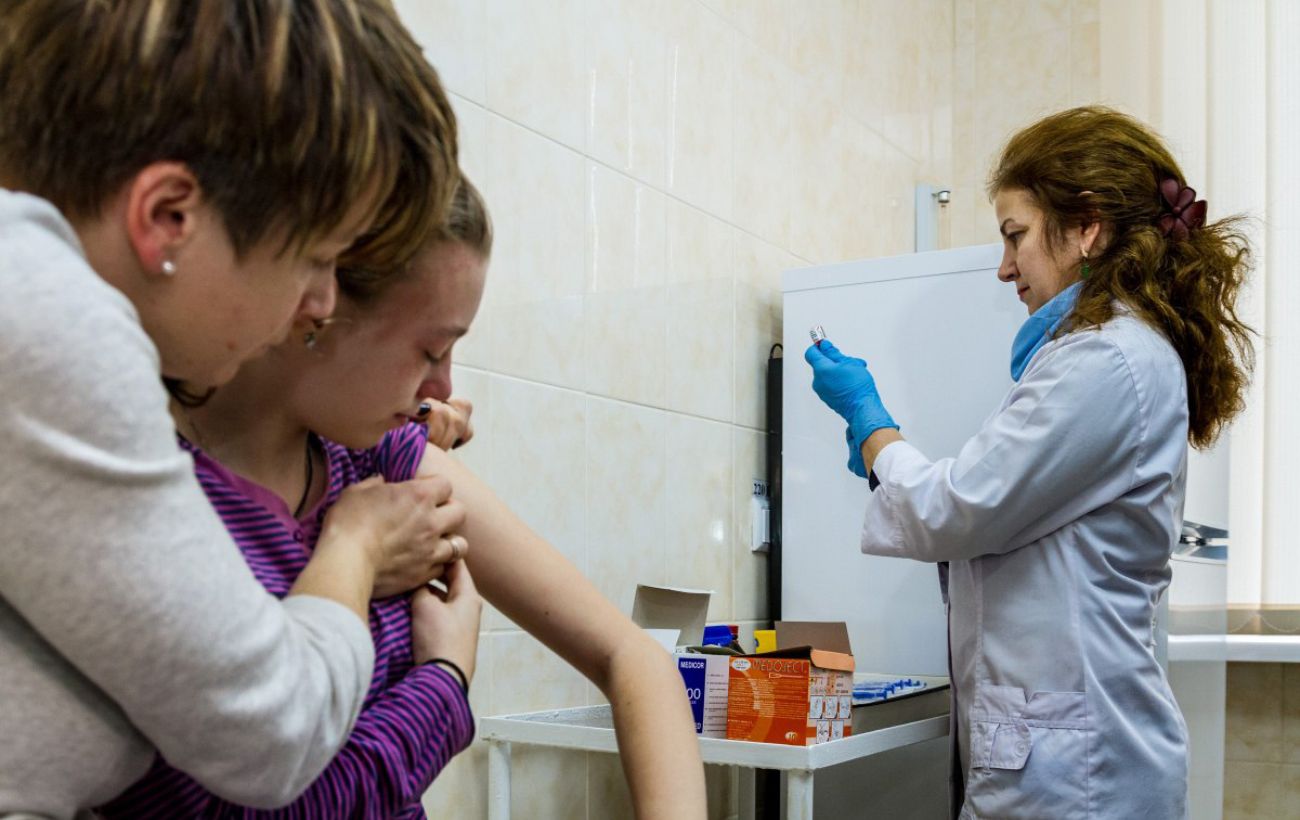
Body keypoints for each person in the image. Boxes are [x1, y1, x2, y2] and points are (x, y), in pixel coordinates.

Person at [107, 177, 709, 818]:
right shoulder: (147, 496)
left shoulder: (382, 458)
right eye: (431, 349)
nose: (445, 387)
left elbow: (632, 656)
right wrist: (443, 682)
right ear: (318, 306)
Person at [0, 1, 466, 814]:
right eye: (315, 256)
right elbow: (270, 734)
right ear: (168, 217)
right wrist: (358, 549)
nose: (320, 303)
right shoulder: (44, 315)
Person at [804, 106, 1253, 819]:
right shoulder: (1103, 355)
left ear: (1087, 227)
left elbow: (956, 509)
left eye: (1015, 235)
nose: (1004, 266)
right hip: (1070, 758)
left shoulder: (1107, 359)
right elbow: (990, 516)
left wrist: (870, 422)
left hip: (1082, 778)